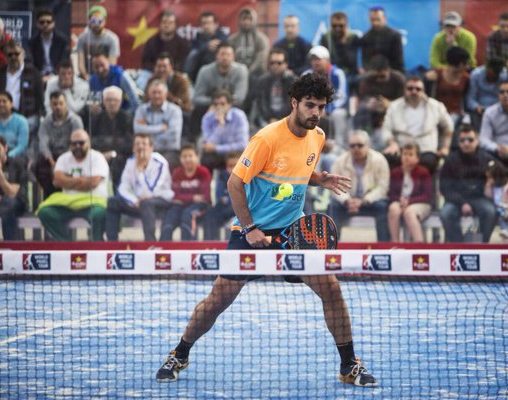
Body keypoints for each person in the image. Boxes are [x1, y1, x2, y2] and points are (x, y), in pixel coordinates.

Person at [155, 73, 377, 387]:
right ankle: (180, 353)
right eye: (310, 105)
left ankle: (348, 365)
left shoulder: (318, 136)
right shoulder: (266, 138)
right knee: (218, 299)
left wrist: (319, 179)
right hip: (251, 233)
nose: (315, 112)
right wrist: (250, 228)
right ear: (294, 103)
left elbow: (299, 168)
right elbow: (235, 183)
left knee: (332, 289)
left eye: (322, 107)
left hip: (293, 234)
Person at [36, 129, 109, 241]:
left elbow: (93, 182)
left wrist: (69, 181)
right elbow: (57, 181)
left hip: (93, 202)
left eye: (81, 143)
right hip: (67, 203)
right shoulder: (63, 158)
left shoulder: (97, 157)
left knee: (99, 214)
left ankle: (96, 245)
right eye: (74, 144)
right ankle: (66, 243)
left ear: (88, 142)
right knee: (45, 212)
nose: (78, 146)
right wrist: (83, 181)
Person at [106, 134, 174, 241]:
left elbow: (152, 190)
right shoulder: (130, 161)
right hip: (139, 201)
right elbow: (123, 188)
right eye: (137, 144)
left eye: (144, 144)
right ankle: (112, 245)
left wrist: (141, 170)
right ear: (133, 148)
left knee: (147, 203)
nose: (140, 147)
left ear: (151, 148)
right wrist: (133, 200)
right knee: (112, 202)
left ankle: (150, 243)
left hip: (161, 200)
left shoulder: (160, 163)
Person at [381, 77, 454, 173]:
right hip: (401, 148)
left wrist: (445, 148)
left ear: (423, 91)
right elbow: (386, 128)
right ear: (405, 90)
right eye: (410, 88)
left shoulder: (436, 106)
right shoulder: (394, 106)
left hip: (426, 150)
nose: (414, 91)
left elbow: (448, 127)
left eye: (418, 89)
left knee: (429, 161)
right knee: (388, 158)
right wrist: (392, 143)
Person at [329, 130, 390, 242]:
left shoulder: (379, 160)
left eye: (360, 145)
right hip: (347, 203)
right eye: (352, 146)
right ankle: (332, 247)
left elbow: (383, 187)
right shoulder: (339, 162)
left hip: (370, 202)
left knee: (382, 206)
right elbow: (335, 186)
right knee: (333, 206)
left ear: (368, 145)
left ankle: (383, 247)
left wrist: (364, 201)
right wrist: (347, 201)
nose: (356, 148)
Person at [439, 125, 496, 243]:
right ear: (458, 143)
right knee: (445, 214)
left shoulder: (486, 159)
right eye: (462, 140)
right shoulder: (450, 160)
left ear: (477, 141)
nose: (466, 143)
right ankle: (459, 245)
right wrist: (462, 203)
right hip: (455, 200)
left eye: (470, 140)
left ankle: (483, 245)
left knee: (490, 212)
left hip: (479, 198)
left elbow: (503, 176)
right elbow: (445, 188)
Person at [191, 42, 249, 142]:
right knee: (197, 109)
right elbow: (197, 97)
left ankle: (236, 139)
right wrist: (215, 104)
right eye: (222, 54)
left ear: (233, 57)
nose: (225, 57)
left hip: (232, 106)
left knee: (241, 107)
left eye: (228, 54)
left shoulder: (241, 70)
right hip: (209, 106)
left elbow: (240, 97)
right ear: (216, 56)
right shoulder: (205, 71)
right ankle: (195, 140)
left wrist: (223, 105)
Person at [34, 91, 84, 198]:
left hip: (70, 155)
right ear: (51, 105)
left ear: (66, 104)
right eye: (55, 104)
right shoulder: (46, 122)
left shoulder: (75, 121)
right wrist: (52, 162)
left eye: (61, 103)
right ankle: (51, 195)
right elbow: (43, 143)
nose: (58, 107)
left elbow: (76, 143)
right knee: (37, 164)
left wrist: (61, 162)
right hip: (51, 157)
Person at [160, 145, 211, 241]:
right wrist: (192, 197)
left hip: (200, 206)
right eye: (184, 156)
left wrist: (183, 197)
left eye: (190, 156)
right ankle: (163, 249)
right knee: (169, 217)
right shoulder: (177, 172)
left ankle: (189, 248)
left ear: (197, 157)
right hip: (181, 206)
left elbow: (205, 196)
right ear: (180, 159)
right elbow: (175, 195)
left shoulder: (203, 172)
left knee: (187, 215)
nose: (187, 159)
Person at [352, 55, 405, 146]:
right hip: (373, 111)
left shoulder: (398, 79)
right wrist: (369, 103)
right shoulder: (367, 79)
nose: (379, 79)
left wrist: (390, 104)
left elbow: (405, 101)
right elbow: (362, 98)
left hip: (394, 108)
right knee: (362, 110)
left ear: (388, 70)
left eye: (382, 76)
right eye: (376, 76)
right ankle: (360, 137)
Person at [89, 86, 133, 193]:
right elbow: (90, 140)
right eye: (109, 100)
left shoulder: (127, 118)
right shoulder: (96, 118)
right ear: (103, 102)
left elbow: (129, 143)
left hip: (121, 156)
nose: (112, 103)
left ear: (121, 101)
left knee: (117, 162)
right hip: (99, 154)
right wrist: (103, 152)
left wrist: (112, 152)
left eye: (115, 100)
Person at [303, 46, 348, 151]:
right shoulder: (306, 75)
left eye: (318, 59)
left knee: (339, 114)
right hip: (313, 107)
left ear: (327, 60)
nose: (316, 62)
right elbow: (302, 95)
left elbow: (342, 97)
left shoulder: (337, 73)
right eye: (313, 59)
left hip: (332, 108)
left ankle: (338, 146)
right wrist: (315, 108)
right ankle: (307, 144)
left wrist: (326, 109)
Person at [0, 40, 43, 135]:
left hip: (26, 117)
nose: (13, 57)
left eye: (16, 54)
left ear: (23, 55)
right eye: (10, 55)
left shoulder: (34, 74)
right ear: (5, 57)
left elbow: (39, 100)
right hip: (1, 118)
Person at [387, 142, 432, 243]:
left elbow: (427, 195)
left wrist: (409, 201)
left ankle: (419, 244)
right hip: (400, 201)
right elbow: (391, 193)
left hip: (420, 203)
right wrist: (400, 200)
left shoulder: (423, 172)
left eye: (411, 154)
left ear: (417, 158)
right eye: (405, 154)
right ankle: (395, 242)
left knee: (409, 212)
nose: (407, 157)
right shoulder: (395, 172)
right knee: (393, 209)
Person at [134, 79, 182, 170]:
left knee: (161, 166)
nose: (156, 96)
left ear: (166, 94)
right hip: (145, 150)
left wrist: (147, 130)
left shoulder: (175, 110)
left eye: (159, 92)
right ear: (148, 94)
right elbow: (138, 130)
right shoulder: (141, 110)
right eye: (153, 92)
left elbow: (173, 135)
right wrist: (160, 128)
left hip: (169, 151)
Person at [200, 89, 249, 171]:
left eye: (222, 104)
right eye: (216, 104)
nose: (219, 107)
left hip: (236, 153)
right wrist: (220, 126)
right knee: (206, 159)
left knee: (246, 160)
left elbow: (242, 145)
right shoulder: (207, 118)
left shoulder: (239, 116)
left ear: (229, 104)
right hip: (217, 155)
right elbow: (208, 145)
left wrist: (217, 148)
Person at [252, 47, 296, 128]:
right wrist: (270, 118)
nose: (275, 66)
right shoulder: (262, 80)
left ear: (286, 64)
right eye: (272, 63)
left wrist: (278, 119)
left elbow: (291, 104)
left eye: (279, 63)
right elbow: (261, 103)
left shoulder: (293, 81)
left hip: (287, 118)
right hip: (266, 119)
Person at [425, 46, 470, 125]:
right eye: (464, 63)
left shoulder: (466, 78)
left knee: (450, 122)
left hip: (455, 113)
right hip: (437, 111)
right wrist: (427, 79)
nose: (467, 66)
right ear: (458, 64)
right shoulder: (437, 74)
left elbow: (466, 98)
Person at [0, 135, 27, 240]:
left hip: (16, 203)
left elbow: (12, 193)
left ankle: (11, 246)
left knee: (8, 203)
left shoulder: (16, 164)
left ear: (6, 148)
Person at [202, 151, 239, 240]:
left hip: (239, 208)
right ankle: (210, 244)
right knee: (209, 215)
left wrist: (228, 199)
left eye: (235, 166)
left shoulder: (245, 177)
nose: (233, 169)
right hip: (225, 207)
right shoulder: (222, 176)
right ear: (226, 167)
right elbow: (220, 196)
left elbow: (244, 197)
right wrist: (229, 199)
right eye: (230, 166)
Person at [76, 5, 120, 80]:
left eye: (99, 21)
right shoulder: (82, 38)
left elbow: (112, 64)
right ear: (89, 21)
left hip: (107, 76)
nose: (96, 24)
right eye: (93, 21)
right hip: (86, 77)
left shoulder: (112, 39)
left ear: (105, 21)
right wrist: (86, 77)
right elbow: (81, 64)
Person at [184, 11, 228, 83]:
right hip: (201, 69)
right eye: (204, 23)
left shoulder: (222, 36)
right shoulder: (198, 37)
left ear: (216, 24)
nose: (206, 26)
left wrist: (218, 46)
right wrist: (206, 46)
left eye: (209, 23)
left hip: (218, 69)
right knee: (194, 53)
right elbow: (193, 53)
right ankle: (187, 80)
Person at [141, 10, 190, 75]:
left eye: (170, 23)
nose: (167, 25)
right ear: (160, 24)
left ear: (175, 25)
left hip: (174, 75)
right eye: (164, 22)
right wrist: (157, 69)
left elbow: (183, 63)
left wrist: (169, 71)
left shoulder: (182, 43)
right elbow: (146, 61)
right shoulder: (151, 42)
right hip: (153, 74)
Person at [28, 9, 71, 81]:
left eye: (48, 22)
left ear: (53, 23)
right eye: (42, 22)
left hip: (58, 76)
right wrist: (39, 77)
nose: (45, 25)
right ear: (37, 24)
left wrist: (53, 76)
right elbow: (32, 63)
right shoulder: (32, 42)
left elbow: (64, 61)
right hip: (38, 77)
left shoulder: (62, 41)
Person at [484, 160, 508, 242]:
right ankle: (504, 230)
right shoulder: (492, 186)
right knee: (499, 215)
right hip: (498, 208)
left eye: (491, 177)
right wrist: (488, 185)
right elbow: (488, 196)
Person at [228, 7, 270, 80]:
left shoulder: (262, 39)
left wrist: (247, 72)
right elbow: (230, 59)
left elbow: (261, 60)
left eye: (250, 19)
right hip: (235, 74)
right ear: (239, 20)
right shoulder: (232, 39)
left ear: (255, 20)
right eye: (244, 19)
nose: (246, 22)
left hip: (257, 75)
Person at [466, 58, 506, 131]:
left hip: (498, 109)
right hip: (480, 110)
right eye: (490, 72)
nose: (492, 76)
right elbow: (470, 99)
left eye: (495, 74)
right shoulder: (476, 75)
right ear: (487, 68)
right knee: (474, 115)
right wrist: (476, 107)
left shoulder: (504, 77)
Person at [360, 6, 404, 73]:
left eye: (378, 19)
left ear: (384, 18)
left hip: (392, 73)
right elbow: (365, 60)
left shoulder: (395, 35)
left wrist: (386, 72)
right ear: (369, 19)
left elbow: (399, 61)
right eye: (373, 20)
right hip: (371, 73)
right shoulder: (365, 37)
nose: (375, 23)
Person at [320, 12, 361, 80]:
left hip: (350, 74)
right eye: (334, 26)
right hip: (332, 74)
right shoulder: (326, 38)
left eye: (341, 26)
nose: (337, 29)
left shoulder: (353, 38)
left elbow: (351, 61)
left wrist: (344, 43)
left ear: (346, 25)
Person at [0, 92, 29, 159]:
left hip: (14, 156)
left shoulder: (21, 121)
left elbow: (22, 145)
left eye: (4, 101)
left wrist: (8, 155)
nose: (1, 104)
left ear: (11, 104)